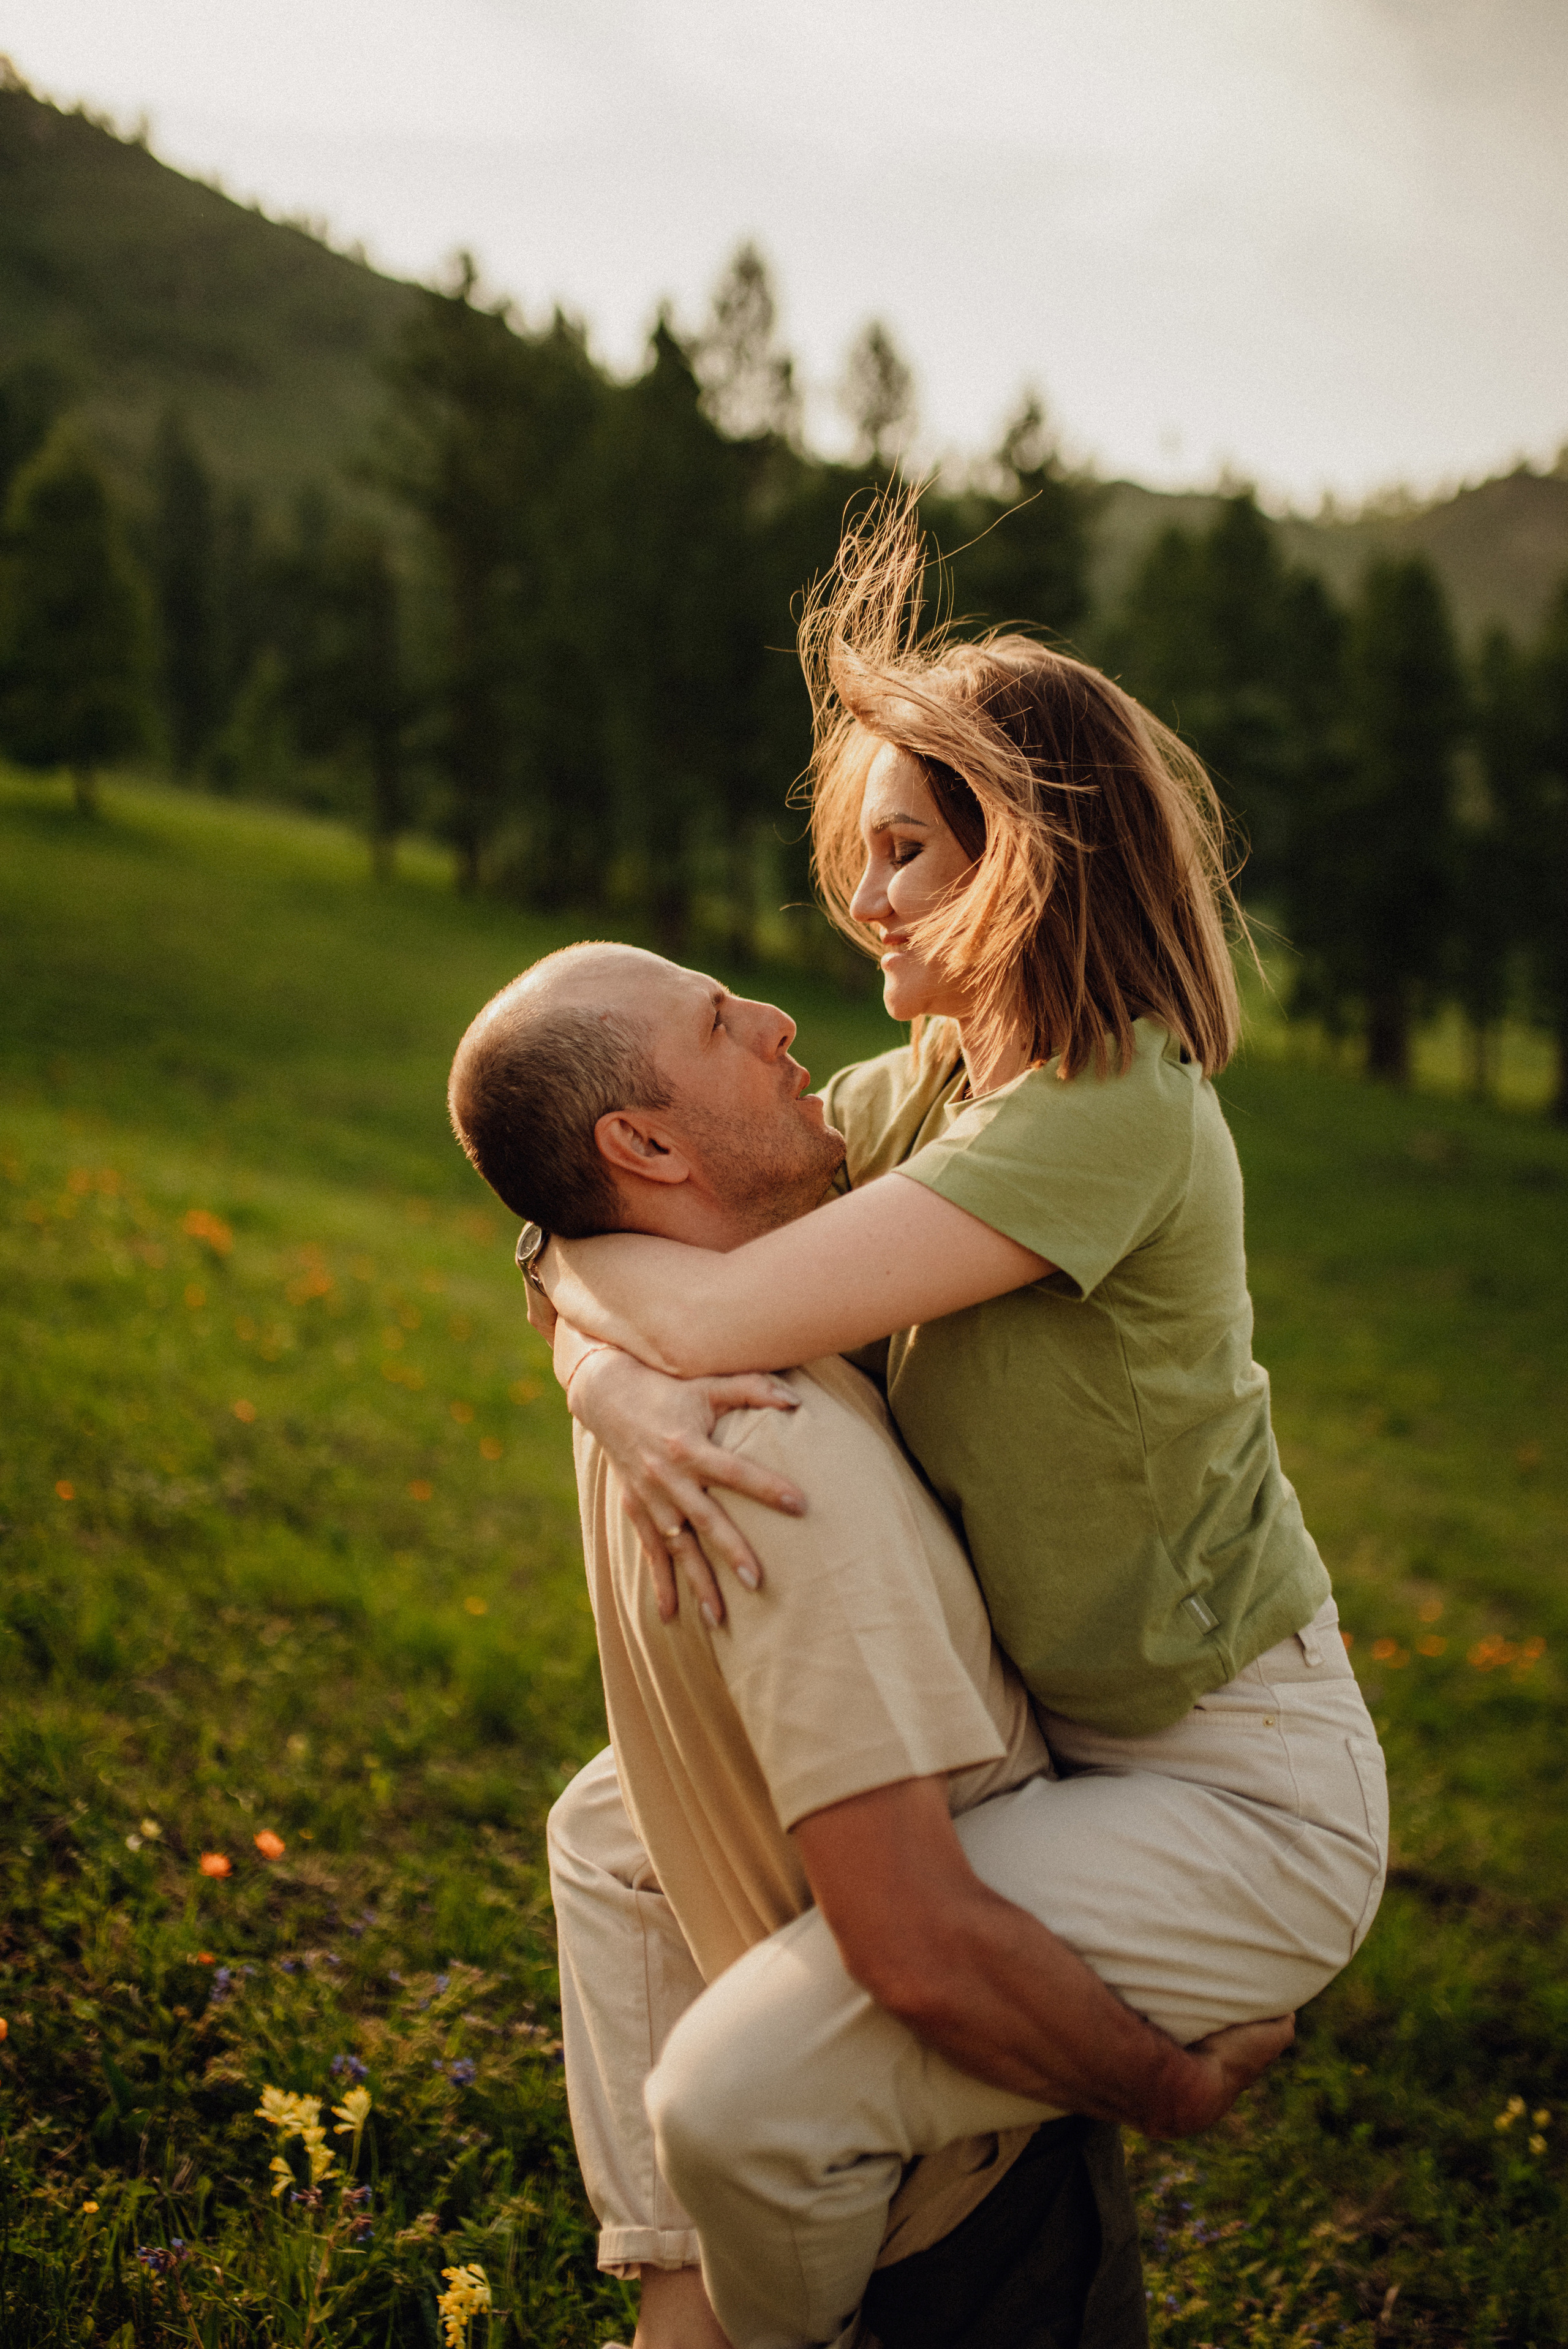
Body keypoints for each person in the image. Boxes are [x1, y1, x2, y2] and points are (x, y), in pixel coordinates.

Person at [521, 499, 1389, 2334]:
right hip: (1055, 1738)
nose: (864, 899)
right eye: (865, 849)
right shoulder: (932, 1089)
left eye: (909, 850)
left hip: (1229, 1784)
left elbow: (717, 1294)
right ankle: (670, 2269)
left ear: (1037, 857)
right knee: (615, 1835)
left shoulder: (1105, 1103)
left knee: (750, 2093)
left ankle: (803, 2306)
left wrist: (613, 1342)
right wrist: (601, 1366)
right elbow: (613, 1202)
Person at [447, 946, 1365, 2349]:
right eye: (716, 1018)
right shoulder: (767, 1454)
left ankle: (690, 2300)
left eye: (905, 854)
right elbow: (923, 1943)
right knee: (622, 1857)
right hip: (976, 2196)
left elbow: (600, 1240)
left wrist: (610, 1373)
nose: (774, 1012)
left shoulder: (1060, 1110)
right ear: (638, 1142)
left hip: (1215, 1750)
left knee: (610, 1833)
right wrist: (1166, 2092)